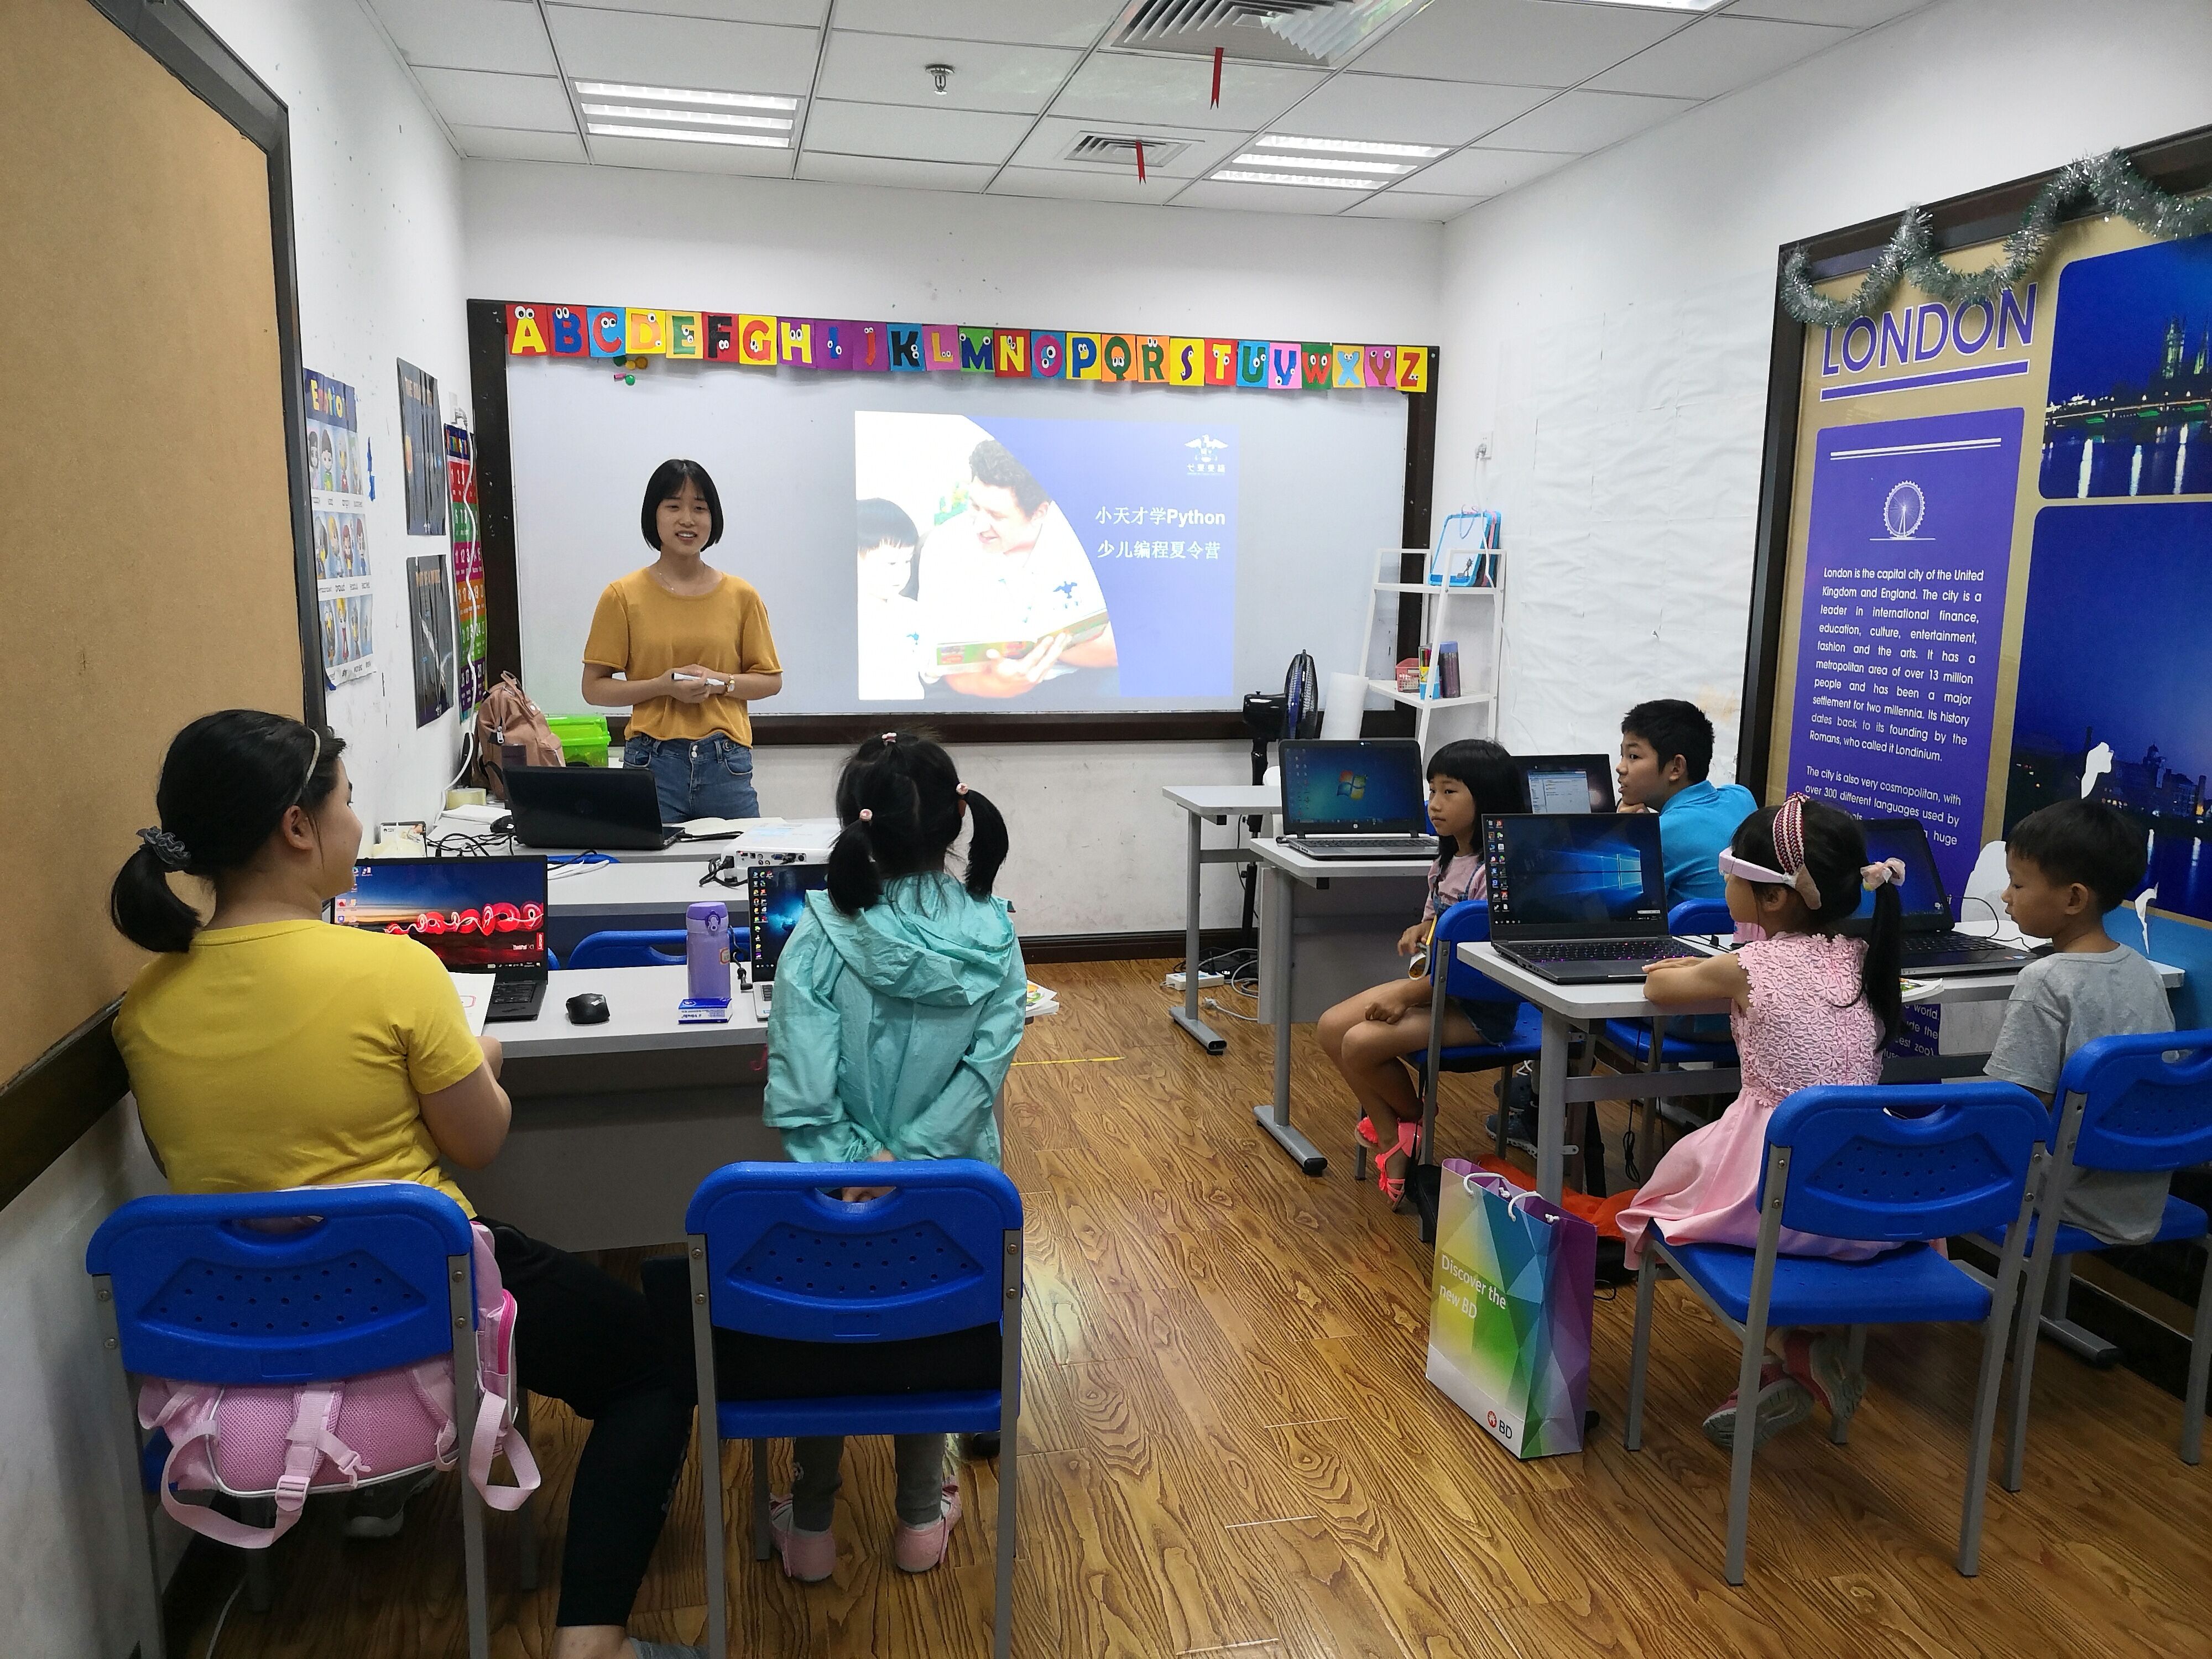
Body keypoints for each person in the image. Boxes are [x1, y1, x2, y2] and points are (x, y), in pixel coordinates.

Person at [109, 712, 700, 1659]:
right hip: (428, 1302)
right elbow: (479, 1140)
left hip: (244, 1325)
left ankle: (379, 1494)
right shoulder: (395, 970)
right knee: (655, 1366)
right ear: (296, 828)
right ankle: (593, 1645)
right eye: (347, 802)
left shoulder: (143, 1009)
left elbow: (203, 1164)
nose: (356, 822)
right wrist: (482, 1056)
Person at [760, 731, 1024, 1582]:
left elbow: (804, 1098)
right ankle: (919, 1517)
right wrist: (907, 1167)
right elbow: (980, 1079)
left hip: (830, 1197)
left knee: (826, 1334)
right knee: (930, 1325)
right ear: (957, 818)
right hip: (957, 1200)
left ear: (857, 822)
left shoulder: (817, 934)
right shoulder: (996, 933)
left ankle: (809, 1525)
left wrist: (857, 1171)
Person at [1616, 795, 1905, 1451]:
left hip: (1778, 1186)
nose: (1723, 883)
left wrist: (1688, 969)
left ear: (1772, 899)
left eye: (1730, 873)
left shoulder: (1747, 965)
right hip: (1870, 1200)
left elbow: (1659, 989)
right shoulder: (1861, 956)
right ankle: (1784, 1367)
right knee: (1769, 1245)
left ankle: (1787, 1344)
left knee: (1657, 1215)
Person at [1316, 739, 1526, 1206]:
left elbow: (1483, 965)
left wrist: (1408, 997)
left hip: (1479, 1011)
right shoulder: (1447, 859)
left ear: (1488, 798)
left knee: (1359, 1043)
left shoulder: (1496, 874)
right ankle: (1402, 1129)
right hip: (1436, 990)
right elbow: (1438, 919)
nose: (1434, 803)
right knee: (1331, 1027)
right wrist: (1421, 928)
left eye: (1450, 792)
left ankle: (1402, 1133)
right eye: (1432, 791)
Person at [1985, 797, 2174, 1242]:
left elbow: (2016, 1107)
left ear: (2074, 898)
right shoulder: (2144, 971)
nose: (2006, 896)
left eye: (2017, 884)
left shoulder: (2045, 979)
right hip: (2142, 1194)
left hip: (2064, 1195)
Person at [582, 459, 781, 822]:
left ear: (713, 518)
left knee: (739, 859)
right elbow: (594, 689)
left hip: (726, 762)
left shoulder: (741, 596)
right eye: (674, 506)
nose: (687, 519)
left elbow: (770, 681)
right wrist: (662, 686)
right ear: (654, 515)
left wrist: (719, 681)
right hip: (651, 761)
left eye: (700, 508)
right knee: (647, 860)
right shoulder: (622, 595)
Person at [917, 440, 1114, 701]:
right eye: (974, 506)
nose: (979, 526)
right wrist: (997, 684)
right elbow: (941, 660)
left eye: (997, 516)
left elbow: (1120, 646)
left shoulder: (1087, 538)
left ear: (1039, 513)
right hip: (981, 686)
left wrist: (1042, 651)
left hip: (1080, 677)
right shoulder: (945, 545)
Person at [1616, 698, 1756, 905]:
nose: (1620, 767)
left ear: (1676, 768)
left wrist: (1627, 833)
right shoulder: (1740, 796)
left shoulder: (1659, 835)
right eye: (1623, 755)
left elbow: (1618, 907)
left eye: (1633, 756)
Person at [856, 496, 925, 701]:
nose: (902, 573)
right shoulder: (849, 618)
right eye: (892, 563)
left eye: (907, 561)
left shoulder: (912, 611)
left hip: (912, 713)